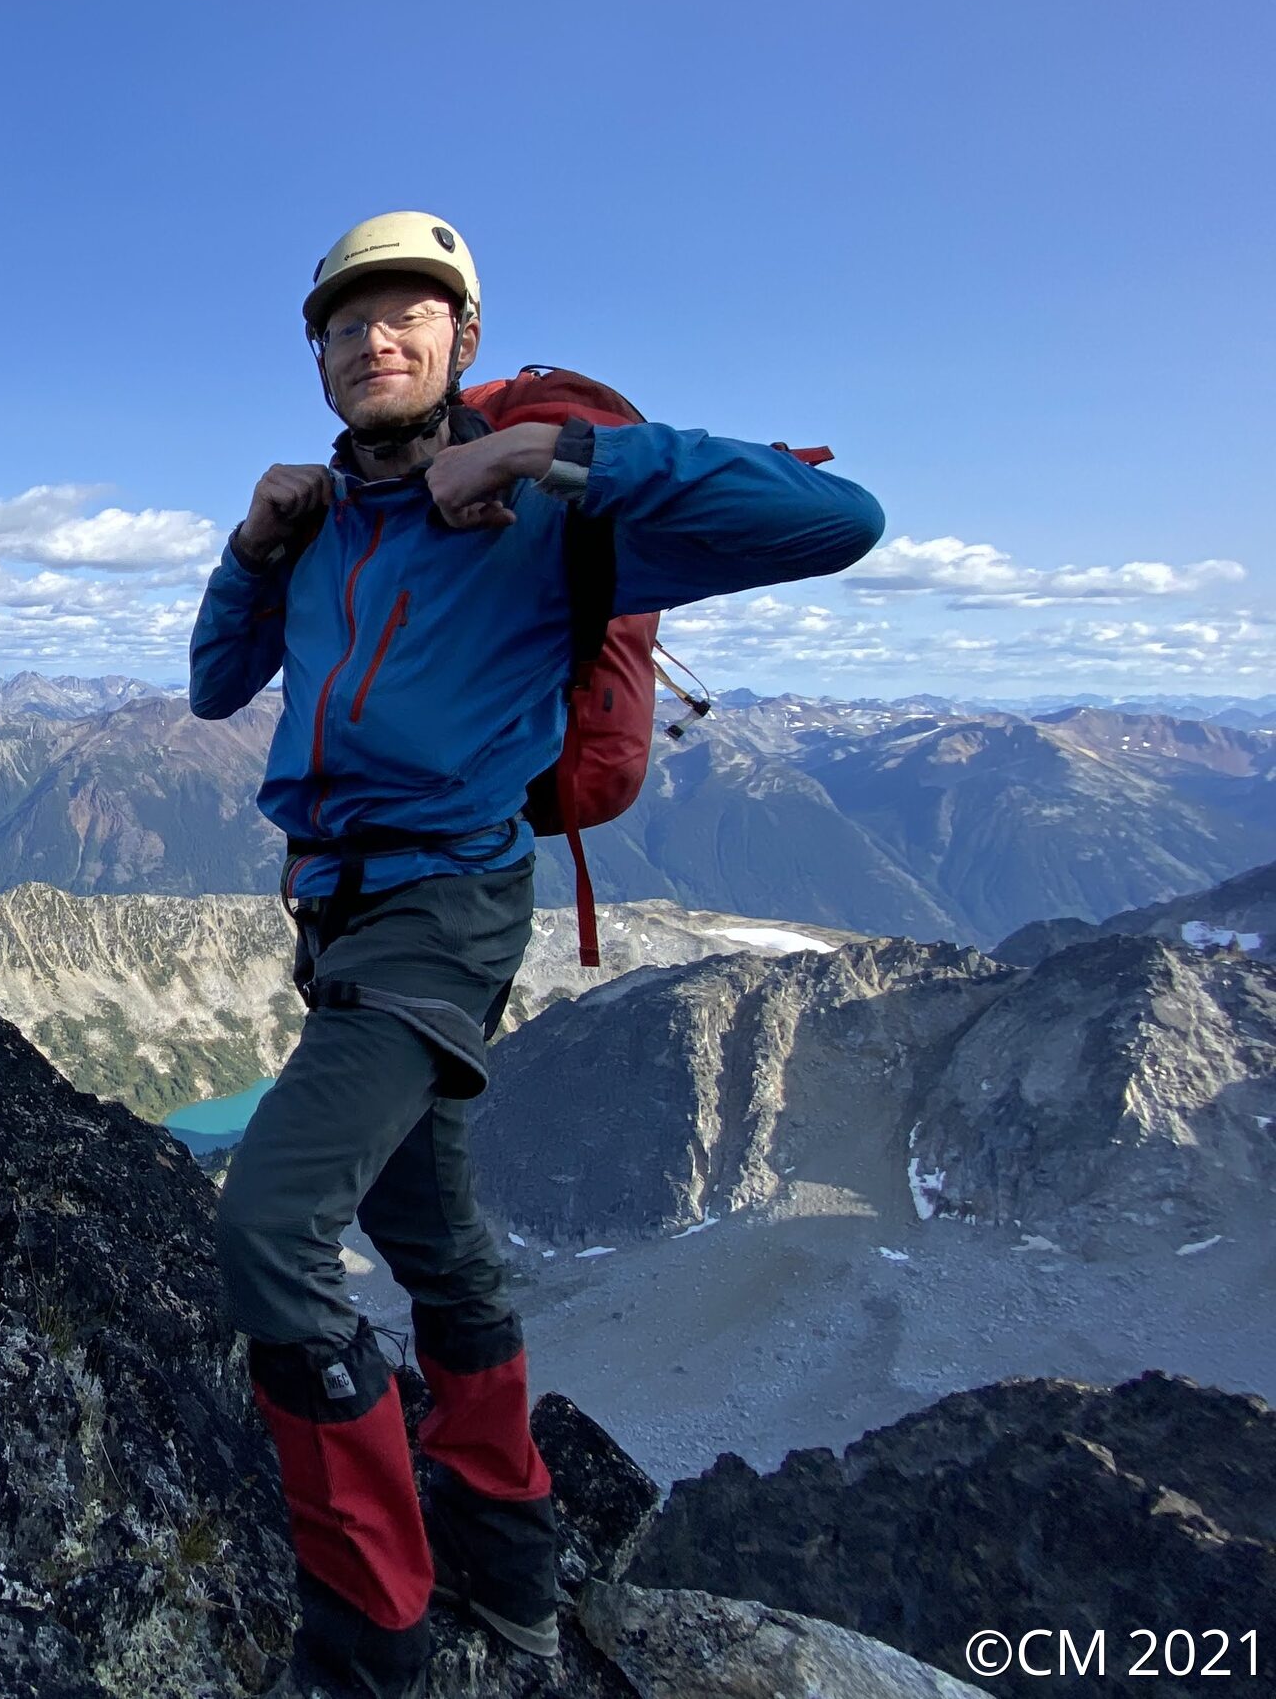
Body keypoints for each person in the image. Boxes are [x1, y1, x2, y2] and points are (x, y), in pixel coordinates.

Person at [190, 213, 884, 1698]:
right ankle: (508, 1569)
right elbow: (211, 685)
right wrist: (249, 549)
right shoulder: (319, 526)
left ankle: (370, 1644)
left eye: (408, 315)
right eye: (346, 322)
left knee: (269, 1230)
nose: (374, 338)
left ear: (464, 341)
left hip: (445, 904)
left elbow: (839, 521)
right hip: (336, 909)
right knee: (429, 1234)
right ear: (317, 357)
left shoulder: (545, 505)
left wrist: (546, 454)